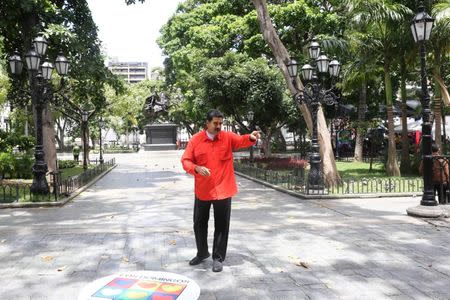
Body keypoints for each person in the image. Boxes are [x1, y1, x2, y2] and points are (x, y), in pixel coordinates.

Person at [181, 109, 260, 272]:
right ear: (207, 123)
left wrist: (251, 137)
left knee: (222, 225)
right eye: (215, 123)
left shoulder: (227, 137)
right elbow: (186, 160)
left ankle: (218, 258)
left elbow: (241, 140)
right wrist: (196, 168)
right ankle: (202, 252)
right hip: (203, 190)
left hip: (224, 189)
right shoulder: (195, 140)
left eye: (220, 123)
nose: (218, 126)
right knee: (199, 223)